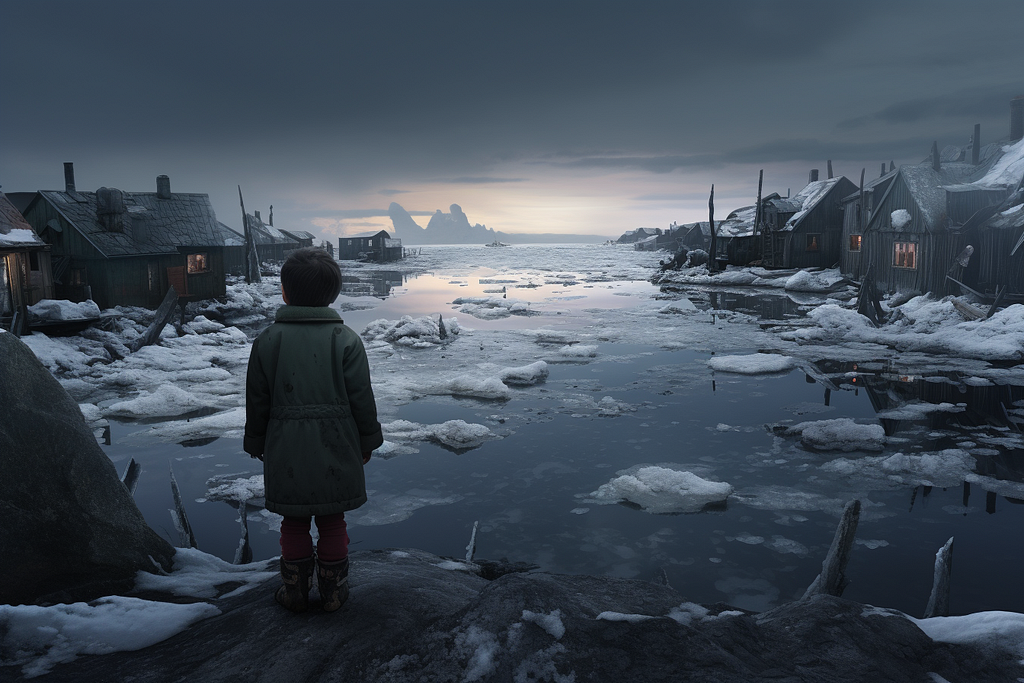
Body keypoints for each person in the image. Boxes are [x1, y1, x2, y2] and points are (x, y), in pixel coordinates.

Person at [244, 247, 383, 613]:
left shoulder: (267, 341)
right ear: (333, 294)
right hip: (337, 444)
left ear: (285, 292)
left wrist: (257, 440)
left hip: (285, 446)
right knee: (333, 519)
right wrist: (368, 440)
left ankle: (294, 591)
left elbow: (257, 399)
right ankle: (334, 592)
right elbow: (361, 399)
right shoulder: (347, 339)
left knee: (293, 520)